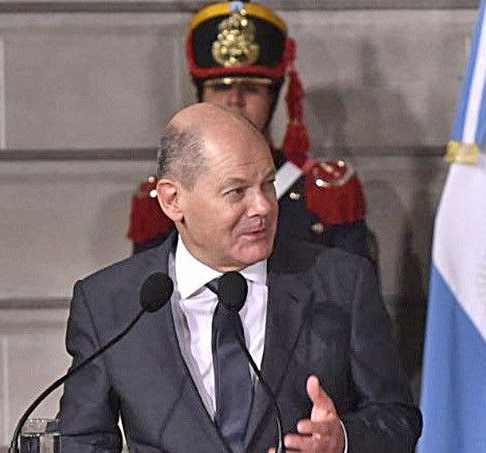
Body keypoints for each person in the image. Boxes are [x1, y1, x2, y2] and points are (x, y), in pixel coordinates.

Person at [60, 103, 419, 453]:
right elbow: (81, 442)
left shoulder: (340, 283)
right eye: (237, 192)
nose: (263, 206)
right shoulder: (111, 303)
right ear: (172, 200)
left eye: (267, 184)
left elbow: (398, 421)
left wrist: (340, 447)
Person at [126, 1, 375, 261]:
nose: (235, 99)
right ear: (200, 94)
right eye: (221, 87)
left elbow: (353, 293)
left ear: (275, 97)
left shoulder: (325, 193)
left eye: (252, 88)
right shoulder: (168, 196)